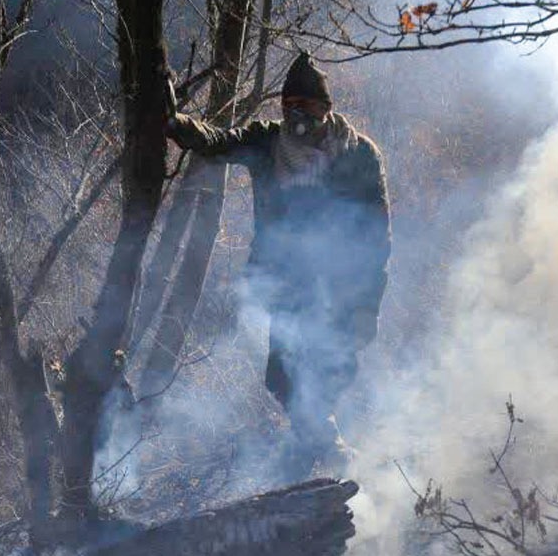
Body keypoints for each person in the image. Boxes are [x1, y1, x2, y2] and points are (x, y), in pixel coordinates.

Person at [166, 52, 390, 477]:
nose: (295, 115)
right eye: (288, 105)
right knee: (283, 378)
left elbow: (377, 237)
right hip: (287, 282)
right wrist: (176, 123)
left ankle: (324, 468)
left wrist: (368, 305)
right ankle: (329, 457)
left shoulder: (359, 154)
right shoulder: (269, 143)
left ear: (326, 108)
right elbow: (217, 142)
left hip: (339, 286)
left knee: (325, 375)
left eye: (305, 106)